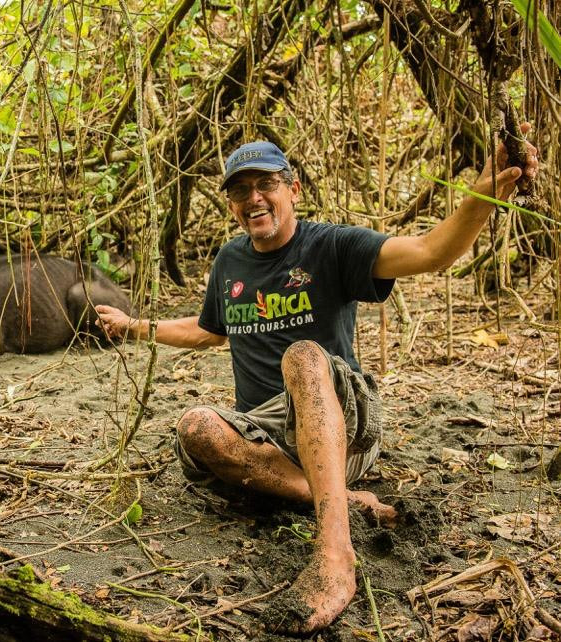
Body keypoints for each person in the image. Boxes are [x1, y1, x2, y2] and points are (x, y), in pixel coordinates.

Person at [96, 133, 538, 634]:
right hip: (270, 434)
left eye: (266, 184)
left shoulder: (331, 246)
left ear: (294, 189)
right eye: (240, 192)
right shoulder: (230, 263)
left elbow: (430, 251)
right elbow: (204, 332)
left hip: (343, 421)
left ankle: (334, 554)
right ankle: (334, 496)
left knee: (304, 356)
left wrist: (482, 195)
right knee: (195, 425)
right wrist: (134, 327)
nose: (254, 199)